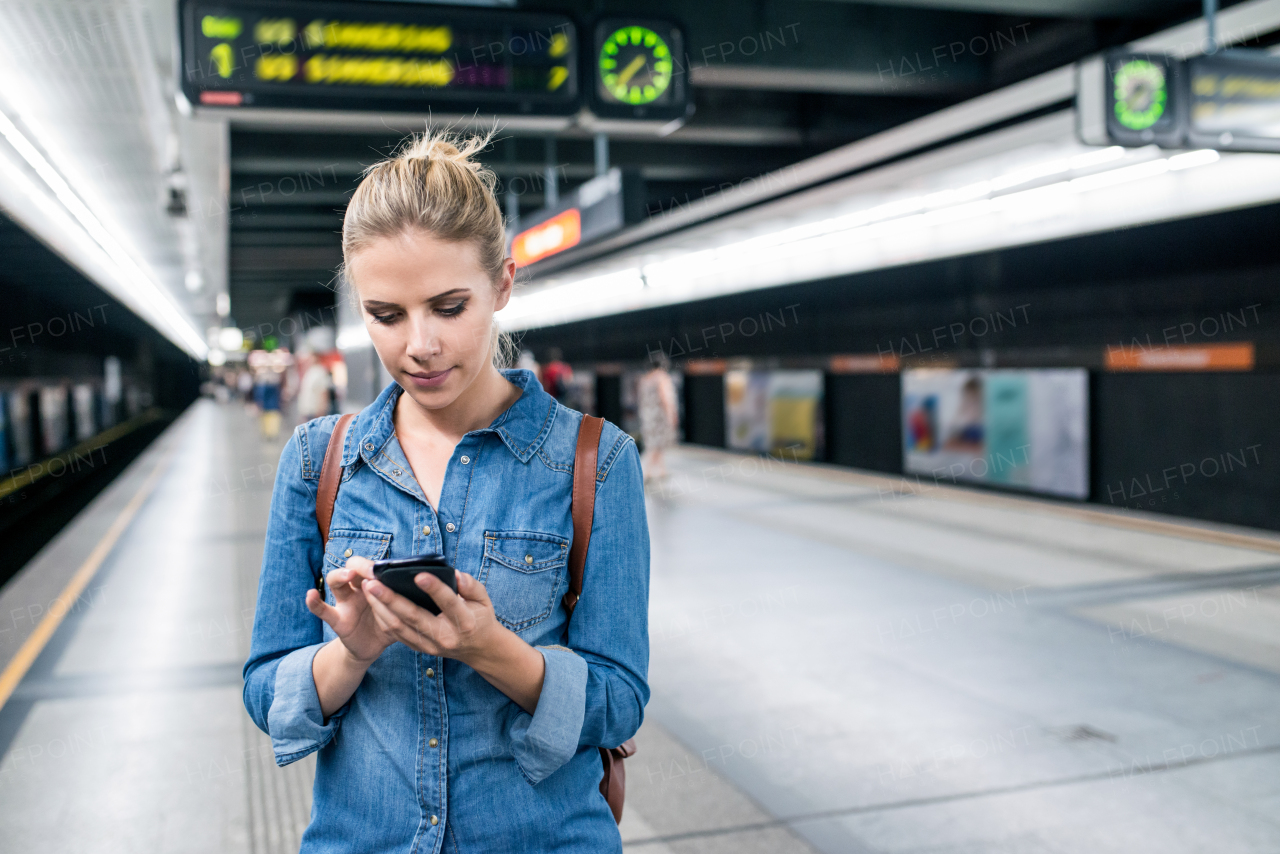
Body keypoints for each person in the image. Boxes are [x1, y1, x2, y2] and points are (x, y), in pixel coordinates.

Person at [243, 130, 650, 854]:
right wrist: (352, 652)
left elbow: (619, 701)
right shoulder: (318, 462)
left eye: (449, 306)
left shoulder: (596, 461)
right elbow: (262, 691)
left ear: (502, 285)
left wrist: (492, 649)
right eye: (386, 315)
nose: (418, 346)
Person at [637, 354, 678, 483]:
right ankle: (647, 472)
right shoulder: (661, 378)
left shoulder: (644, 379)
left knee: (653, 444)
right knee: (658, 444)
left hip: (647, 416)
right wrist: (671, 415)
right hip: (659, 416)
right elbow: (665, 397)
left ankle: (661, 470)